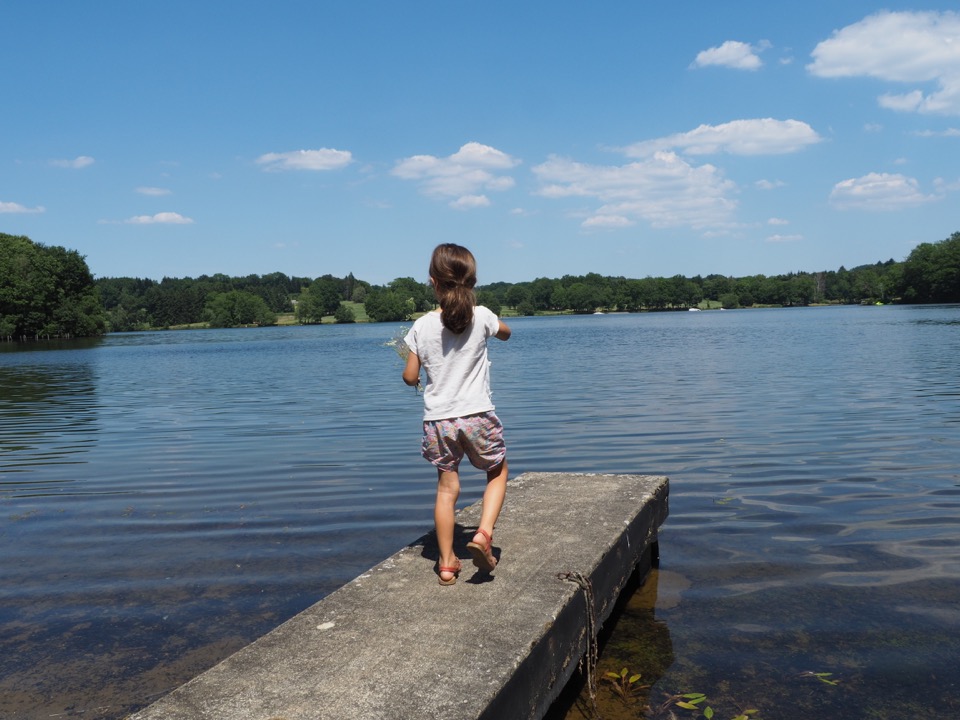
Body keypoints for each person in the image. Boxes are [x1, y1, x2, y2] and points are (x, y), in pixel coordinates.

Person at [402, 243, 511, 586]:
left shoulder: (421, 326)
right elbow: (506, 333)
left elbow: (409, 376)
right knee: (497, 470)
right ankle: (483, 534)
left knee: (447, 489)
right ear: (472, 281)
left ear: (433, 282)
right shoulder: (482, 316)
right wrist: (489, 325)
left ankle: (447, 563)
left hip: (439, 421)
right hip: (477, 415)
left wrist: (416, 368)